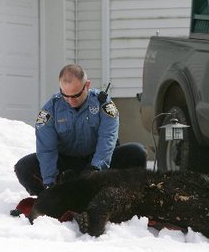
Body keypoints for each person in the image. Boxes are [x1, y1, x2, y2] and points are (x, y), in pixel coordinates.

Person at [14, 64, 148, 196]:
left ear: (87, 86)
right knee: (23, 167)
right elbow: (46, 149)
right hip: (66, 163)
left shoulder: (103, 104)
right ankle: (51, 199)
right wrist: (50, 181)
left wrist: (95, 168)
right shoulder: (49, 110)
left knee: (137, 152)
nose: (71, 101)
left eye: (76, 95)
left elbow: (108, 138)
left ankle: (124, 197)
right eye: (65, 95)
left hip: (98, 162)